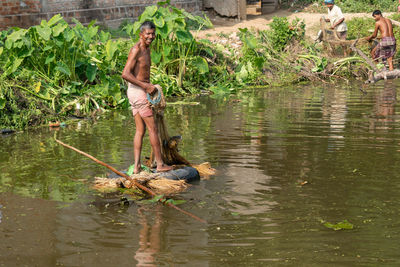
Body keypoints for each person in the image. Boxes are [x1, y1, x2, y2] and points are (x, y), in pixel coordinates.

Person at [122, 21, 173, 174]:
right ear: (141, 35)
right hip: (138, 91)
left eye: (153, 33)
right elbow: (125, 74)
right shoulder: (136, 50)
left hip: (136, 91)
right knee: (153, 129)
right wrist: (145, 87)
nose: (151, 37)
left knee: (140, 131)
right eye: (148, 34)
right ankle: (160, 165)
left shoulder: (147, 49)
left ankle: (137, 166)